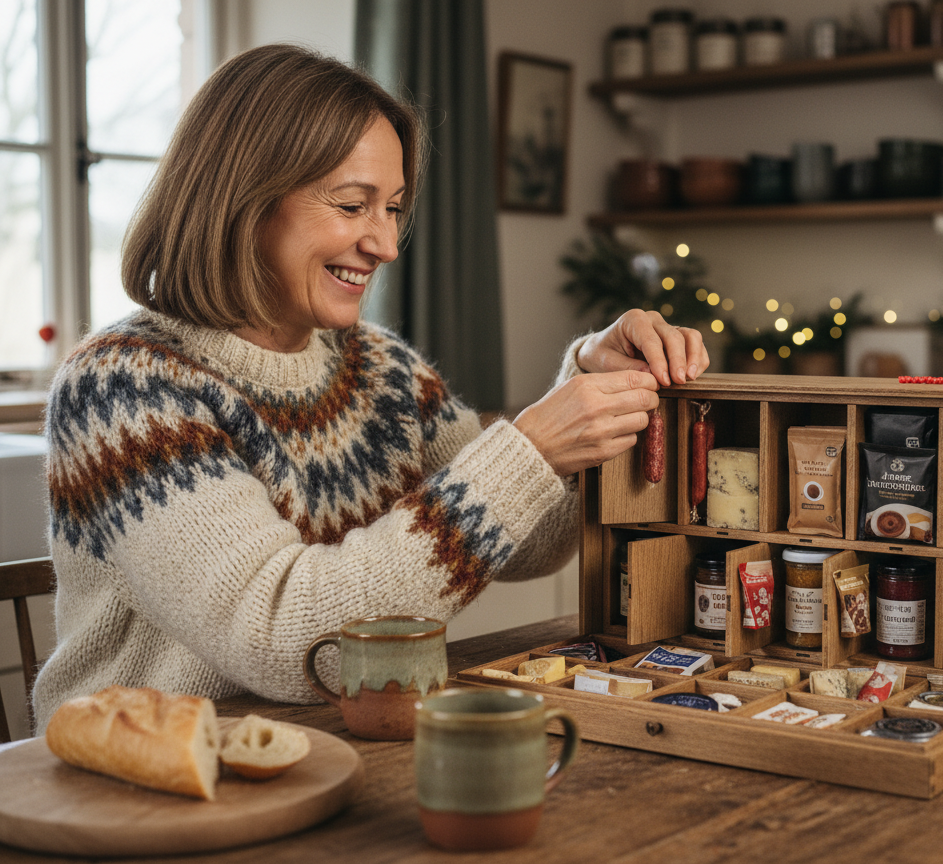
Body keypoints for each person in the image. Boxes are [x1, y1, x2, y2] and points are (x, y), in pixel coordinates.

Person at [32, 44, 708, 732]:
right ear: (245, 201)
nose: (385, 244)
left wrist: (588, 386)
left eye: (392, 208)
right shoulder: (121, 390)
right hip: (133, 782)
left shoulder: (381, 366)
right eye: (354, 206)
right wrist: (529, 449)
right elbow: (292, 643)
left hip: (326, 747)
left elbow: (529, 544)